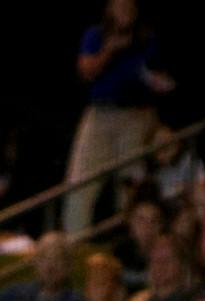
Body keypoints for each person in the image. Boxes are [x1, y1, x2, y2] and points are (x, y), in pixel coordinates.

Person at [63, 0, 175, 235]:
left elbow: (161, 75)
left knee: (130, 185)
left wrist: (159, 82)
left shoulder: (146, 38)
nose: (125, 9)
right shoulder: (96, 35)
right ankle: (74, 242)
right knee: (81, 182)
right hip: (101, 113)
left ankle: (133, 242)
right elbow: (86, 71)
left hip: (136, 115)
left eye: (130, 6)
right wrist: (109, 50)